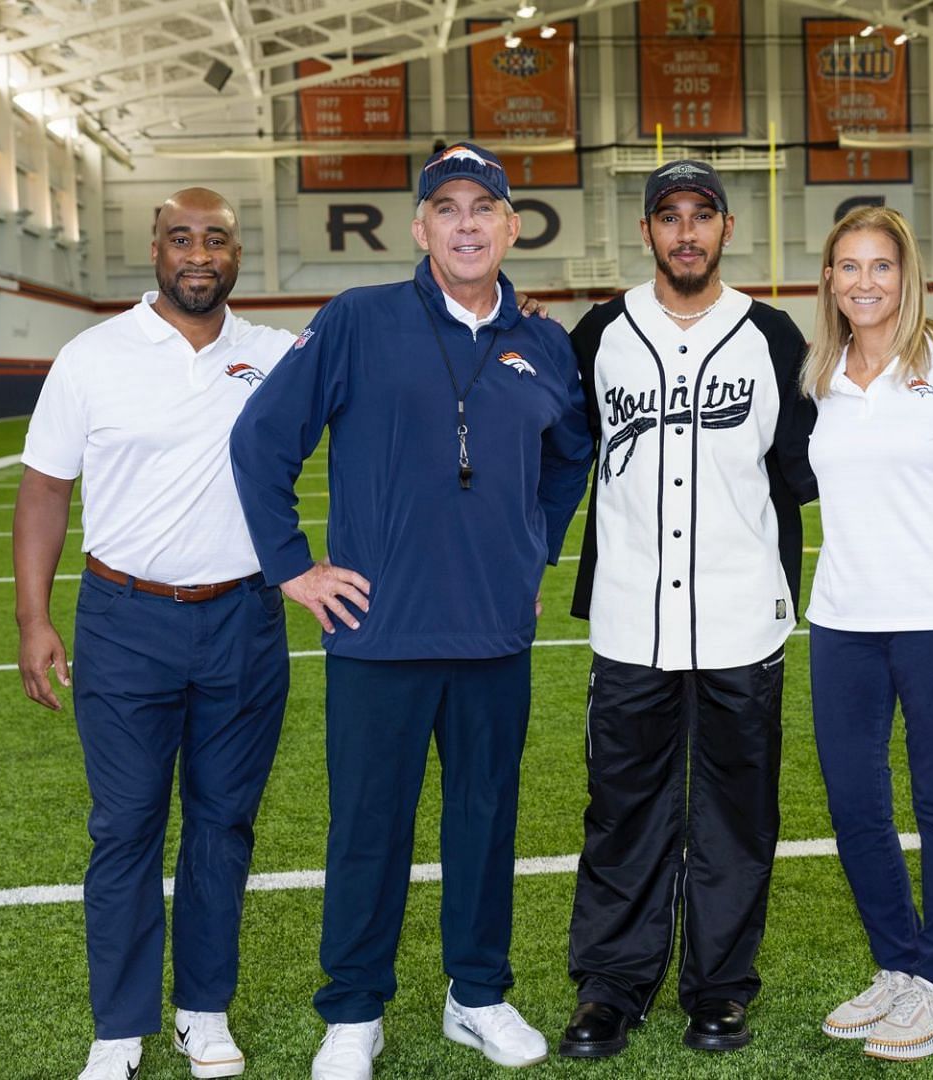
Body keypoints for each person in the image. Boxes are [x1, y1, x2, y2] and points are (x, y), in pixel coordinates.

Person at [227, 142, 594, 1080]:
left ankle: (478, 994)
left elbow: (569, 458)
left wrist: (533, 549)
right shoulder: (357, 320)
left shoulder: (544, 343)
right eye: (449, 209)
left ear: (514, 226)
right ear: (421, 226)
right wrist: (293, 570)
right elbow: (262, 439)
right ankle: (353, 1012)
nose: (467, 224)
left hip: (492, 634)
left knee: (485, 819)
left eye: (485, 209)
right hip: (376, 634)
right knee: (367, 830)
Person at [13, 187, 295, 1080]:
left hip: (244, 620)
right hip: (125, 619)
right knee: (126, 825)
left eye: (216, 238)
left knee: (223, 824)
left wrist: (503, 306)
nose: (199, 254)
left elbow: (387, 361)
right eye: (182, 238)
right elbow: (46, 490)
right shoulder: (92, 355)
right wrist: (32, 618)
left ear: (238, 251)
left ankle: (201, 1013)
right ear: (155, 248)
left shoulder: (278, 354)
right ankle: (120, 1027)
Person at [555, 159, 816, 1060]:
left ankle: (720, 988)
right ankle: (611, 987)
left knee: (736, 815)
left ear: (727, 229)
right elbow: (555, 455)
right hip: (631, 615)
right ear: (647, 233)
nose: (686, 232)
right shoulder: (598, 335)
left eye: (702, 215)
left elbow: (800, 474)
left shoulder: (775, 337)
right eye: (669, 216)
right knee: (623, 809)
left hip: (745, 616)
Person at [802, 206, 933, 1063]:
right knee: (854, 803)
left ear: (906, 272)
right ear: (830, 281)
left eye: (880, 266)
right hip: (842, 619)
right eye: (848, 268)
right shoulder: (823, 372)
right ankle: (896, 965)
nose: (864, 283)